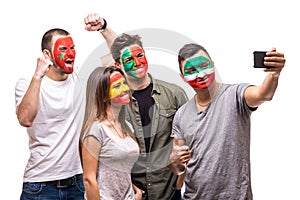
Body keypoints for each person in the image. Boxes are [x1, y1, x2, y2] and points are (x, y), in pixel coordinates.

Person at [84, 13, 189, 200]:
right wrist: (104, 29)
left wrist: (180, 181)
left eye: (140, 55)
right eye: (129, 60)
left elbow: (189, 140)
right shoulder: (117, 100)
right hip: (132, 194)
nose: (138, 62)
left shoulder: (174, 94)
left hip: (168, 192)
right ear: (118, 64)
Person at [169, 43, 286, 200]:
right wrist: (174, 162)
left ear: (213, 64)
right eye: (191, 71)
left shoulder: (235, 95)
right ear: (183, 77)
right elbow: (179, 166)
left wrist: (274, 74)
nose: (201, 74)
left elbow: (263, 94)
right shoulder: (181, 114)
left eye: (204, 65)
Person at [15, 28, 85, 199]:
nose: (70, 53)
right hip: (40, 185)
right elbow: (25, 119)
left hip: (76, 182)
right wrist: (38, 76)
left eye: (72, 48)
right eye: (63, 49)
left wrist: (103, 27)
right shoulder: (27, 83)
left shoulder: (79, 80)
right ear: (47, 54)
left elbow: (117, 57)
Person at [80, 66, 141, 200]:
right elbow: (89, 180)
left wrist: (135, 192)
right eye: (117, 85)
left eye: (124, 83)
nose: (125, 88)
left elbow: (121, 168)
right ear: (103, 96)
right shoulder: (96, 130)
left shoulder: (127, 126)